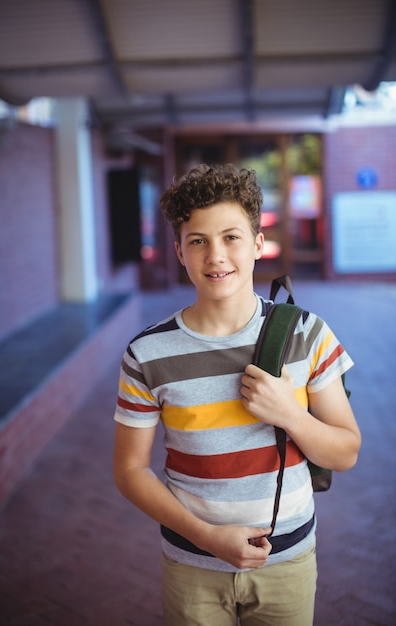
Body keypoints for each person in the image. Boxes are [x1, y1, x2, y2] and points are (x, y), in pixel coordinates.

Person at [113, 163, 361, 626]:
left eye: (231, 237)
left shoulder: (306, 335)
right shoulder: (146, 352)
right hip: (191, 563)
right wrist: (206, 536)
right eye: (198, 241)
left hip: (286, 560)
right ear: (180, 252)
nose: (216, 256)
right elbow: (128, 469)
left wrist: (292, 414)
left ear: (258, 245)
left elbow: (346, 451)